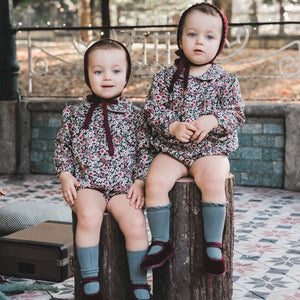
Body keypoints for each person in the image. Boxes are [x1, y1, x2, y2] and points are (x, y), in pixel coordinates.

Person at [140, 2, 245, 277]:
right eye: (192, 34)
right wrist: (172, 126)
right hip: (172, 150)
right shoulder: (165, 78)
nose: (200, 42)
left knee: (212, 180)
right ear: (180, 38)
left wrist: (214, 120)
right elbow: (152, 110)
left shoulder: (225, 80)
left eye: (209, 36)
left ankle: (213, 244)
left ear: (220, 43)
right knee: (155, 181)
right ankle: (161, 241)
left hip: (210, 150)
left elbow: (236, 112)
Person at [54, 39, 154, 300]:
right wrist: (65, 174)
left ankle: (139, 281)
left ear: (126, 76)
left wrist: (141, 180)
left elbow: (145, 150)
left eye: (116, 71)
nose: (107, 77)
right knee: (88, 215)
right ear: (87, 75)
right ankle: (89, 275)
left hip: (123, 187)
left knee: (135, 222)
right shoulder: (74, 115)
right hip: (88, 184)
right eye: (98, 71)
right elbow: (62, 146)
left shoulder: (135, 116)